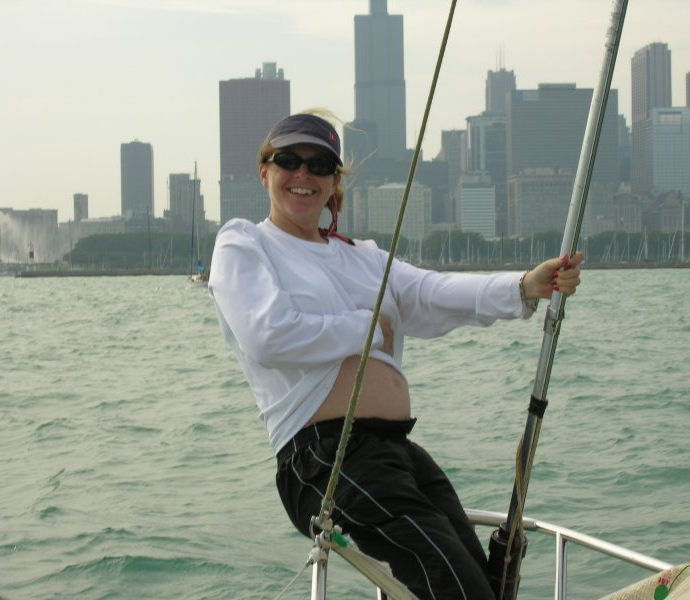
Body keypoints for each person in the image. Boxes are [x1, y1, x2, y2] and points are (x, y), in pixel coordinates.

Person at [208, 111, 583, 599]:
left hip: (394, 450)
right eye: (288, 161)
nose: (304, 175)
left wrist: (523, 287)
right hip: (324, 456)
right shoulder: (244, 242)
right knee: (450, 579)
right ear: (265, 171)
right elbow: (268, 334)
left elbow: (431, 292)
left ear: (334, 182)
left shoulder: (361, 256)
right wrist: (367, 327)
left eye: (320, 165)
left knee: (479, 575)